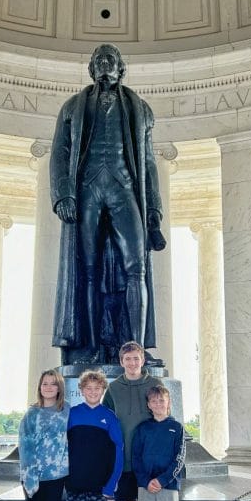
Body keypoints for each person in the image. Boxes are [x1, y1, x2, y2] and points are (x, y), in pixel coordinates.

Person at [50, 43, 166, 365]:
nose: (104, 64)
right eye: (99, 60)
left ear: (120, 68)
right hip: (87, 190)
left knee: (136, 268)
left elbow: (149, 162)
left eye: (110, 59)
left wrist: (154, 207)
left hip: (123, 187)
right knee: (88, 271)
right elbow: (59, 152)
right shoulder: (72, 107)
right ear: (91, 69)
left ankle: (136, 349)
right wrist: (63, 194)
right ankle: (89, 347)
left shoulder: (140, 109)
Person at [103, 341, 164, 501]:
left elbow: (163, 415)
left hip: (149, 461)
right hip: (125, 460)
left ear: (143, 360)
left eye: (136, 359)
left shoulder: (154, 385)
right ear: (121, 362)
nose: (132, 363)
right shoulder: (114, 388)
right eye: (127, 359)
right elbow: (107, 420)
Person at [66, 370, 123, 501]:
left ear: (103, 390)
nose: (92, 392)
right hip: (75, 480)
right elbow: (63, 448)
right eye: (88, 388)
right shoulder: (72, 414)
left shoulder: (109, 417)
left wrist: (111, 483)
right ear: (81, 390)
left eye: (97, 388)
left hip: (100, 482)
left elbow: (118, 450)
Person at [19, 370, 70, 501]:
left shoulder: (67, 411)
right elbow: (24, 444)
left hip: (57, 475)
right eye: (44, 384)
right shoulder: (31, 414)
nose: (48, 387)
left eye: (52, 384)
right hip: (33, 474)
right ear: (39, 387)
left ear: (59, 388)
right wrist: (30, 475)